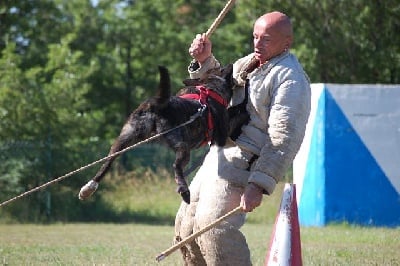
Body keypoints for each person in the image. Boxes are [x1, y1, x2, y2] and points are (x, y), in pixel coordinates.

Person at [174, 11, 311, 265]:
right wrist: (204, 60)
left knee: (214, 229)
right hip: (220, 153)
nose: (258, 44)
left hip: (246, 160)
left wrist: (258, 184)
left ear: (286, 42)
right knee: (187, 228)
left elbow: (284, 138)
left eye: (266, 39)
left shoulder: (291, 79)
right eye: (255, 37)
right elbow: (219, 85)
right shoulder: (249, 62)